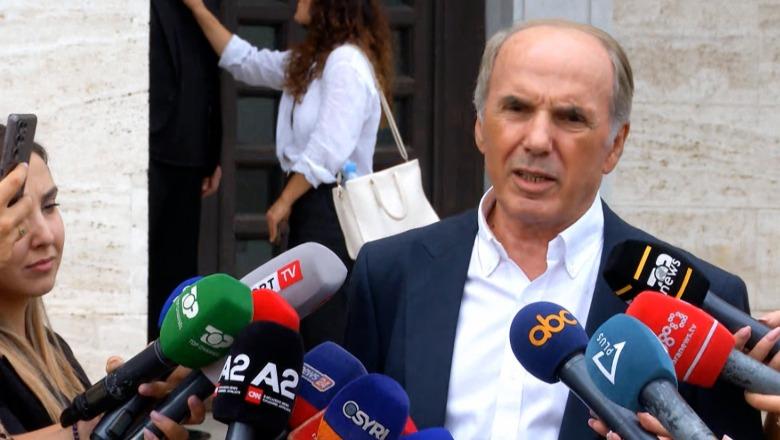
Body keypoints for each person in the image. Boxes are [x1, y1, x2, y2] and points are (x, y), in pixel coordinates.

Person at [342, 19, 763, 439]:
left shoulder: (700, 309)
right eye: (516, 108)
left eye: (570, 117)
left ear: (615, 145)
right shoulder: (389, 274)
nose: (538, 140)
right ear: (480, 126)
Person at [181, 0, 393, 348]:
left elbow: (327, 150)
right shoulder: (314, 62)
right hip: (313, 205)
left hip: (333, 209)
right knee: (305, 319)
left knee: (326, 323)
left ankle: (331, 385)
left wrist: (283, 202)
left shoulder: (345, 62)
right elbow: (247, 62)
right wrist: (198, 10)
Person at [0, 130, 204, 439]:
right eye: (16, 218)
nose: (44, 236)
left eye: (49, 205)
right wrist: (86, 429)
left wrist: (140, 405)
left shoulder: (54, 349)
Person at [148, 0, 223, 342]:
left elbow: (213, 74)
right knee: (146, 268)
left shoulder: (204, 5)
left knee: (177, 273)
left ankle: (171, 353)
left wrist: (212, 153)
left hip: (190, 154)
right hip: (148, 152)